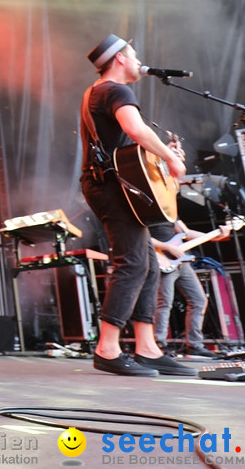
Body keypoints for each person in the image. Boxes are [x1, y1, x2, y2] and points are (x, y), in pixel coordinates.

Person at [79, 34, 194, 377]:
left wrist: (161, 160)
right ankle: (107, 348)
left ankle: (146, 347)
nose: (138, 59)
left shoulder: (97, 92)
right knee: (131, 263)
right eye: (134, 54)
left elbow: (131, 151)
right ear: (120, 60)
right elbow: (136, 129)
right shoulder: (115, 91)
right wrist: (171, 158)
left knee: (148, 264)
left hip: (117, 187)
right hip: (111, 189)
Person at [150, 219, 229, 358]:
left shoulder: (169, 212)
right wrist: (167, 247)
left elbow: (185, 233)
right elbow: (141, 238)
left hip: (181, 262)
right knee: (164, 303)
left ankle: (194, 346)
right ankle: (158, 345)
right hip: (162, 260)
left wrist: (215, 235)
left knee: (198, 300)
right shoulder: (144, 209)